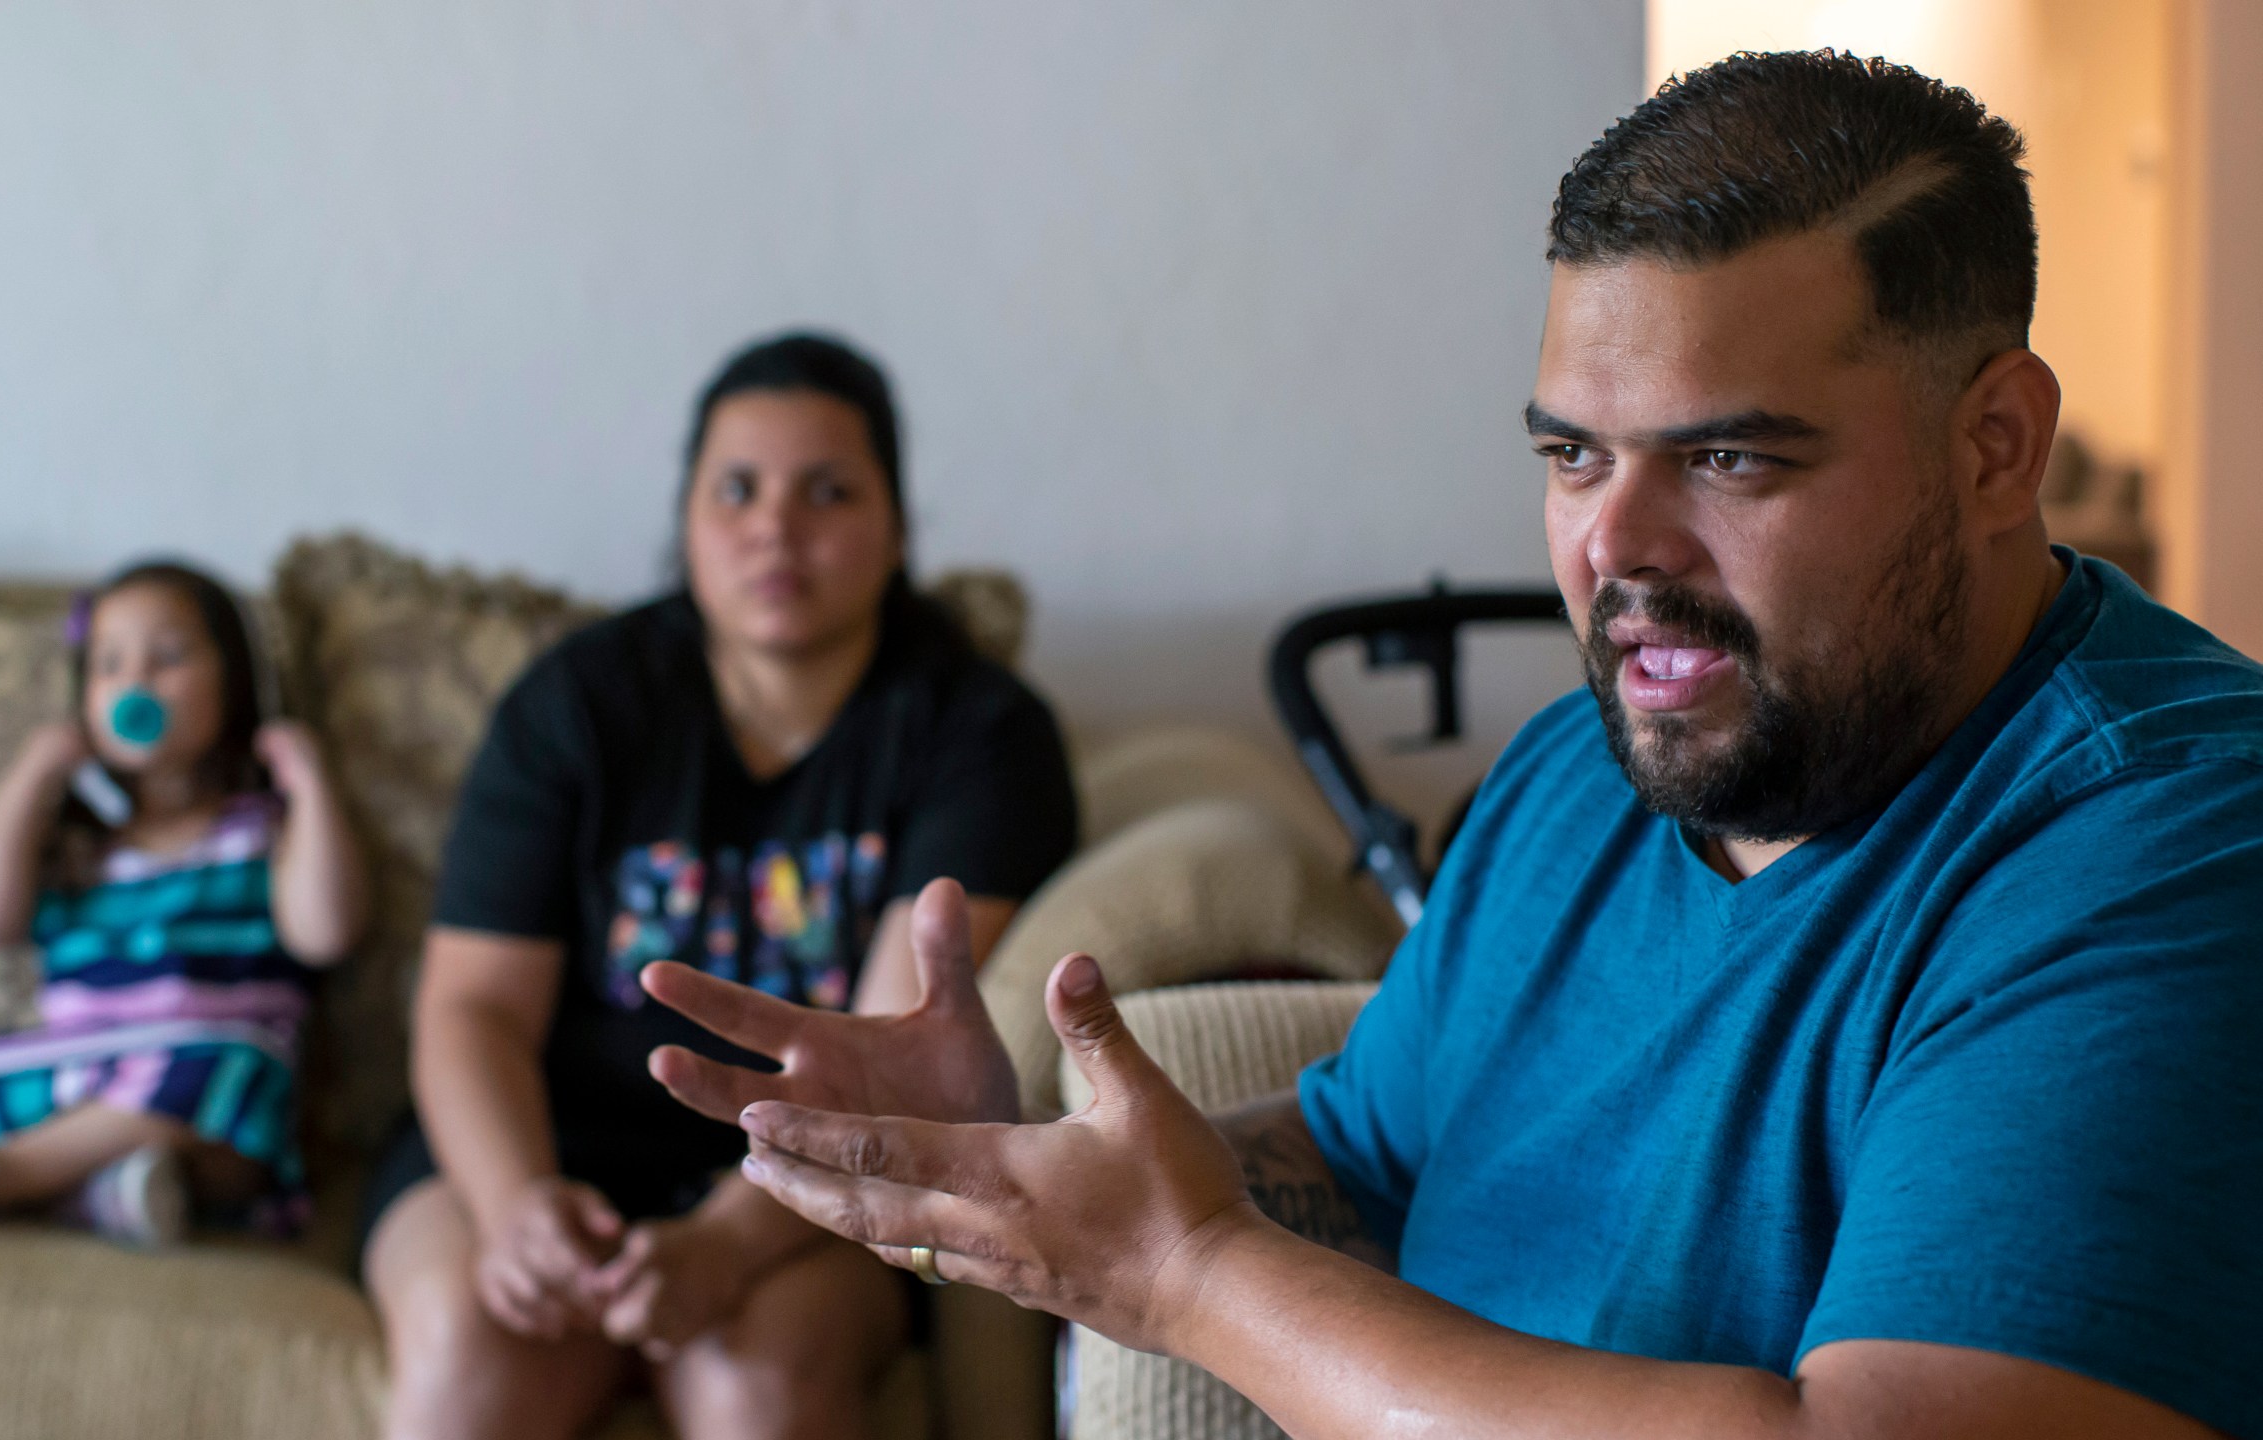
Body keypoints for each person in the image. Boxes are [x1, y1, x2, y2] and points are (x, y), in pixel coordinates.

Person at [639, 53, 2263, 1440]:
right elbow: (1360, 1165)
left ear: (1996, 445)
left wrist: (1186, 1278)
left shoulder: (2167, 838)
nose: (1617, 550)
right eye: (1573, 455)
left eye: (1729, 459)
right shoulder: (1577, 775)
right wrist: (1023, 1157)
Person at [359, 333, 1079, 1440]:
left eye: (827, 492)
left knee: (757, 1386)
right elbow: (471, 1008)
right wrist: (515, 1213)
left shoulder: (978, 733)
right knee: (472, 1351)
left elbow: (897, 1055)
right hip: (542, 1143)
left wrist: (728, 1243)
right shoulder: (578, 705)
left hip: (811, 1184)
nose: (774, 529)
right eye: (735, 489)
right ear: (685, 521)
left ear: (894, 527)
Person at [0, 560, 369, 1246]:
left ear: (233, 680)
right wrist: (35, 773)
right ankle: (98, 1191)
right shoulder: (79, 847)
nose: (135, 682)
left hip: (216, 1089)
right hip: (81, 1072)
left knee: (226, 1062)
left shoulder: (260, 828)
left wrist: (308, 781)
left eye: (167, 657)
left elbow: (327, 934)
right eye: (109, 664)